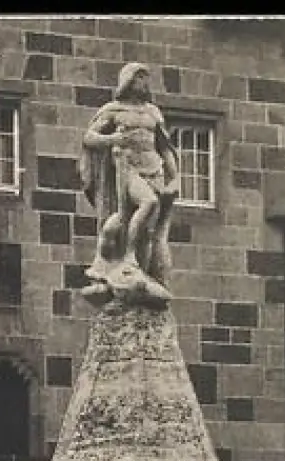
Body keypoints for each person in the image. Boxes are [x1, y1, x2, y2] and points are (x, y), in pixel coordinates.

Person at [79, 63, 180, 300]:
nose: (144, 83)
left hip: (154, 169)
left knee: (150, 229)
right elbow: (89, 137)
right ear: (128, 81)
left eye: (146, 78)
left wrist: (174, 178)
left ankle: (141, 270)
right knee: (148, 203)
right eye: (139, 78)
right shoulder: (113, 110)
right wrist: (113, 139)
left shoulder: (153, 112)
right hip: (128, 169)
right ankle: (129, 256)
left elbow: (165, 148)